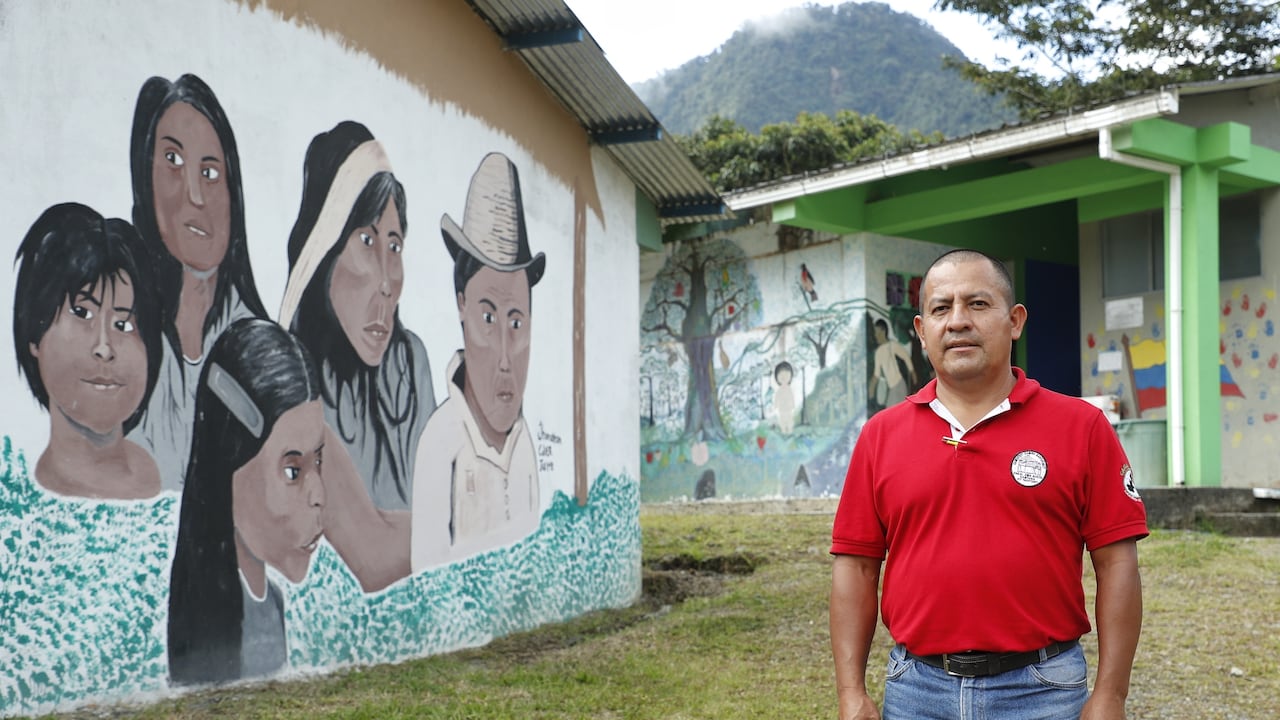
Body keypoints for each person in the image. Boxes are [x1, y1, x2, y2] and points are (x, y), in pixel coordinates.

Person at [830, 249, 1147, 720]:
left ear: (1015, 321)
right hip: (916, 691)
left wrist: (1110, 695)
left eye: (977, 304)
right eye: (941, 308)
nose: (957, 321)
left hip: (1044, 692)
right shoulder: (881, 436)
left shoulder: (1081, 428)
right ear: (921, 331)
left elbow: (1117, 564)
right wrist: (851, 692)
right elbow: (855, 568)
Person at [280, 120, 434, 512]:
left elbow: (436, 517)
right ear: (323, 249)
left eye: (395, 245)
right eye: (367, 240)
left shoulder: (409, 365)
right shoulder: (288, 380)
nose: (387, 281)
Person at [127, 73, 268, 488]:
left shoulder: (256, 350)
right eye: (172, 161)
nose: (196, 195)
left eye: (210, 172)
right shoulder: (122, 327)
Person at [167, 318, 325, 684]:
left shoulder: (272, 604)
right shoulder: (204, 621)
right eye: (292, 471)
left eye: (319, 460)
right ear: (228, 469)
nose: (319, 497)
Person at [411, 152, 544, 571]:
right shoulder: (441, 443)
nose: (505, 357)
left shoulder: (525, 444)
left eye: (516, 322)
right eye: (488, 319)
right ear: (461, 308)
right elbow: (428, 587)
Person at [13, 202, 163, 499]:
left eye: (124, 324)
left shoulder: (176, 487)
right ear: (35, 334)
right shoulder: (16, 501)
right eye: (82, 313)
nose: (105, 348)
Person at [869, 317, 916, 410]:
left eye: (876, 331)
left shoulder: (892, 346)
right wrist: (871, 388)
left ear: (882, 331)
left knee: (893, 414)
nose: (875, 335)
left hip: (899, 385)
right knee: (891, 414)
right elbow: (876, 374)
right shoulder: (878, 352)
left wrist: (913, 372)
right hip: (892, 388)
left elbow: (905, 357)